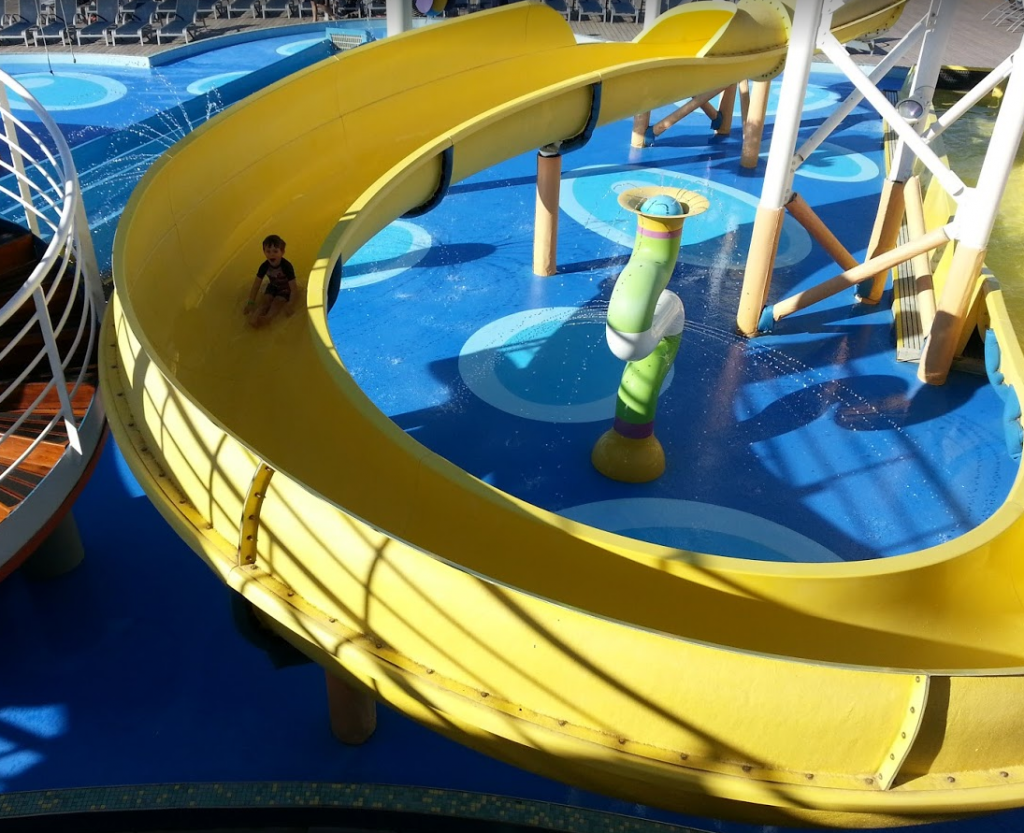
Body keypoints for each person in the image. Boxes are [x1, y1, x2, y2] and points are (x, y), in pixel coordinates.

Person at [244, 234, 297, 328]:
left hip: (285, 288)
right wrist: (250, 302)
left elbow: (293, 288)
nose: (271, 254)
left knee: (277, 302)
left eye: (275, 251)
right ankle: (255, 316)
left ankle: (268, 318)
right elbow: (256, 285)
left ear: (282, 252)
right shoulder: (264, 266)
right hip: (273, 286)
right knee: (265, 300)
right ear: (264, 252)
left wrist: (290, 303)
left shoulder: (286, 266)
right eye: (268, 251)